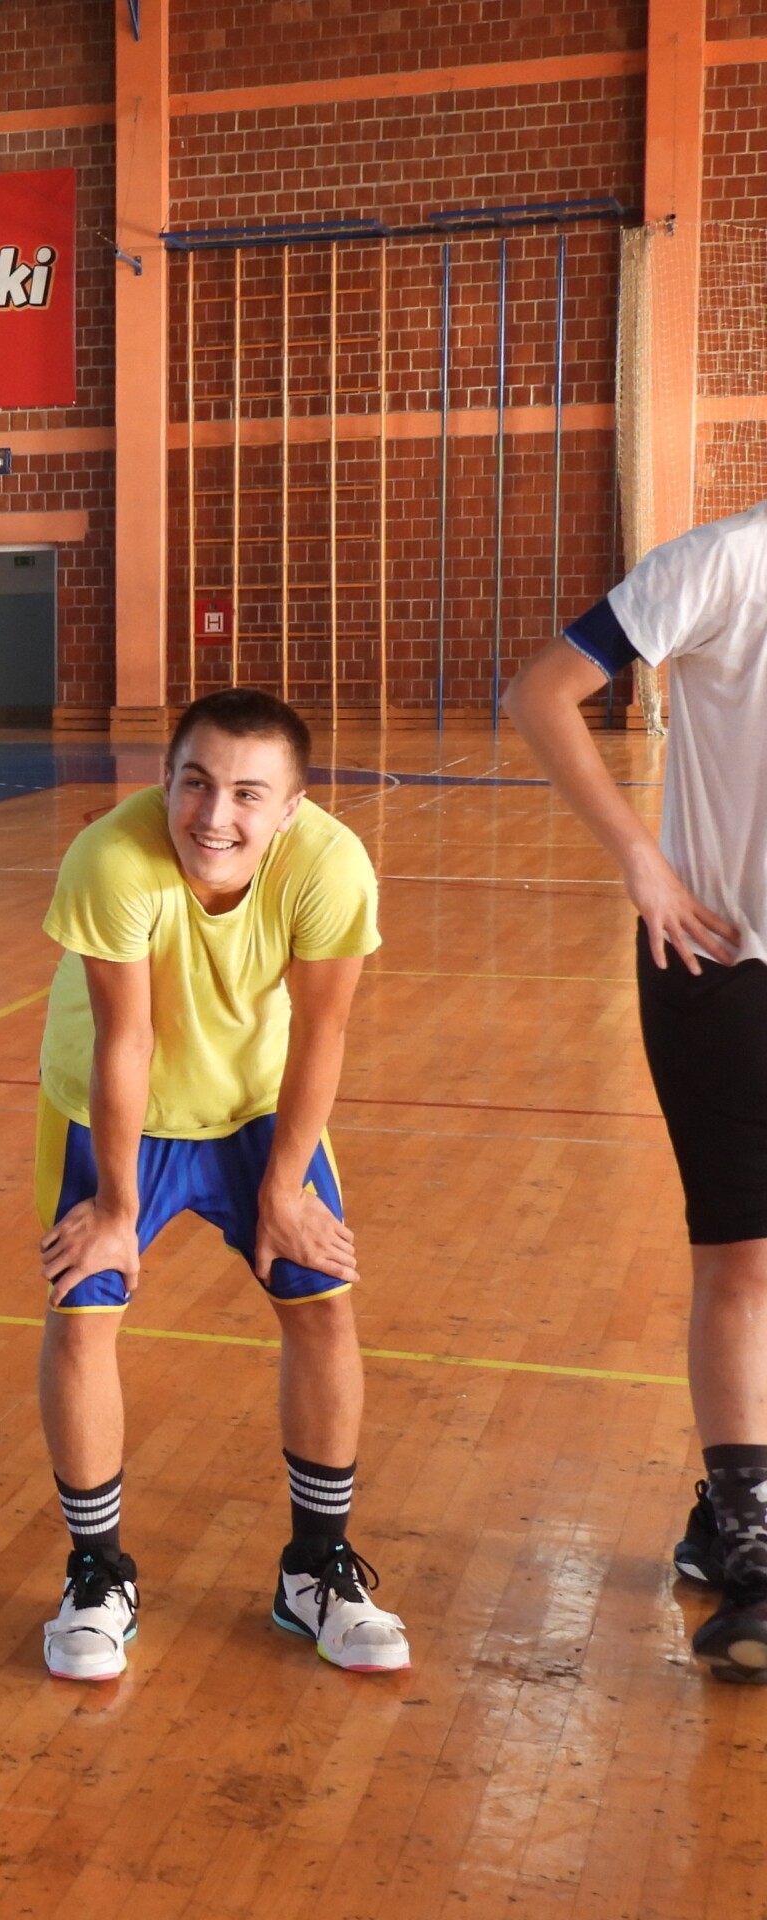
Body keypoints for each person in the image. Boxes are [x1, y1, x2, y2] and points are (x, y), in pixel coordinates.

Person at [33, 688, 411, 1683]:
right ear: (165, 779)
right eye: (195, 783)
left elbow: (323, 1031)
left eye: (248, 793)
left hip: (255, 1106)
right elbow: (126, 1040)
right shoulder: (110, 861)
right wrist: (116, 1210)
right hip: (116, 1110)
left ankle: (315, 1568)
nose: (214, 814)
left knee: (322, 1306)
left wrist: (284, 1190)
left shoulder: (331, 866)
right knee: (83, 1312)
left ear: (290, 808)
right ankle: (95, 1575)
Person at [507, 509, 767, 1682]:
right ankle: (752, 1546)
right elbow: (540, 693)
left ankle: (721, 1511)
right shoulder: (726, 563)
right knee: (742, 1257)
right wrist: (641, 860)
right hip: (724, 964)